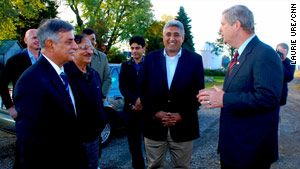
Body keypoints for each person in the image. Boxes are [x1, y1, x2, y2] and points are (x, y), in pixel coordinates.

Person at [197, 5, 283, 169]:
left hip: (250, 152)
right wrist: (222, 95)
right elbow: (244, 91)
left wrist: (224, 98)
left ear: (236, 25)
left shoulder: (264, 53)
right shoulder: (239, 55)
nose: (219, 29)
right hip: (234, 148)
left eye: (223, 24)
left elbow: (268, 98)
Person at [13, 19, 87, 169]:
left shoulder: (66, 72)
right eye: (69, 42)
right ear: (50, 44)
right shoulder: (31, 81)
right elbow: (30, 143)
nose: (75, 46)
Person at [139, 20, 205, 169]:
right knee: (154, 166)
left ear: (183, 37)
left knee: (182, 166)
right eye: (168, 34)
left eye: (176, 34)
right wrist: (155, 112)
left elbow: (198, 92)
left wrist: (182, 114)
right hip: (154, 125)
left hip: (184, 125)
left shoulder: (195, 60)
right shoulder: (150, 59)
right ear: (163, 37)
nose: (172, 38)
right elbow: (143, 89)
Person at [64, 34, 106, 169]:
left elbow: (97, 101)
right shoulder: (64, 75)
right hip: (72, 141)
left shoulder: (94, 74)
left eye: (91, 48)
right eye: (84, 48)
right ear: (73, 49)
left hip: (93, 137)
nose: (90, 51)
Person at [0, 29, 41, 119]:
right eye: (34, 38)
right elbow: (2, 84)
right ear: (25, 40)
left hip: (45, 111)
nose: (37, 40)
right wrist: (10, 107)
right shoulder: (15, 61)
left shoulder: (48, 61)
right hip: (23, 111)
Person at [119, 36, 146, 169]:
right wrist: (134, 101)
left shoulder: (149, 65)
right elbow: (122, 87)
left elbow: (153, 86)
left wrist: (142, 101)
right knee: (134, 145)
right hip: (131, 110)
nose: (134, 51)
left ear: (143, 49)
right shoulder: (125, 66)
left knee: (150, 144)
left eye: (137, 48)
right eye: (132, 48)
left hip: (147, 111)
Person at [81, 28, 112, 100]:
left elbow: (107, 78)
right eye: (88, 40)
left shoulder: (103, 57)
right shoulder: (77, 56)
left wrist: (101, 95)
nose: (91, 42)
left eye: (93, 39)